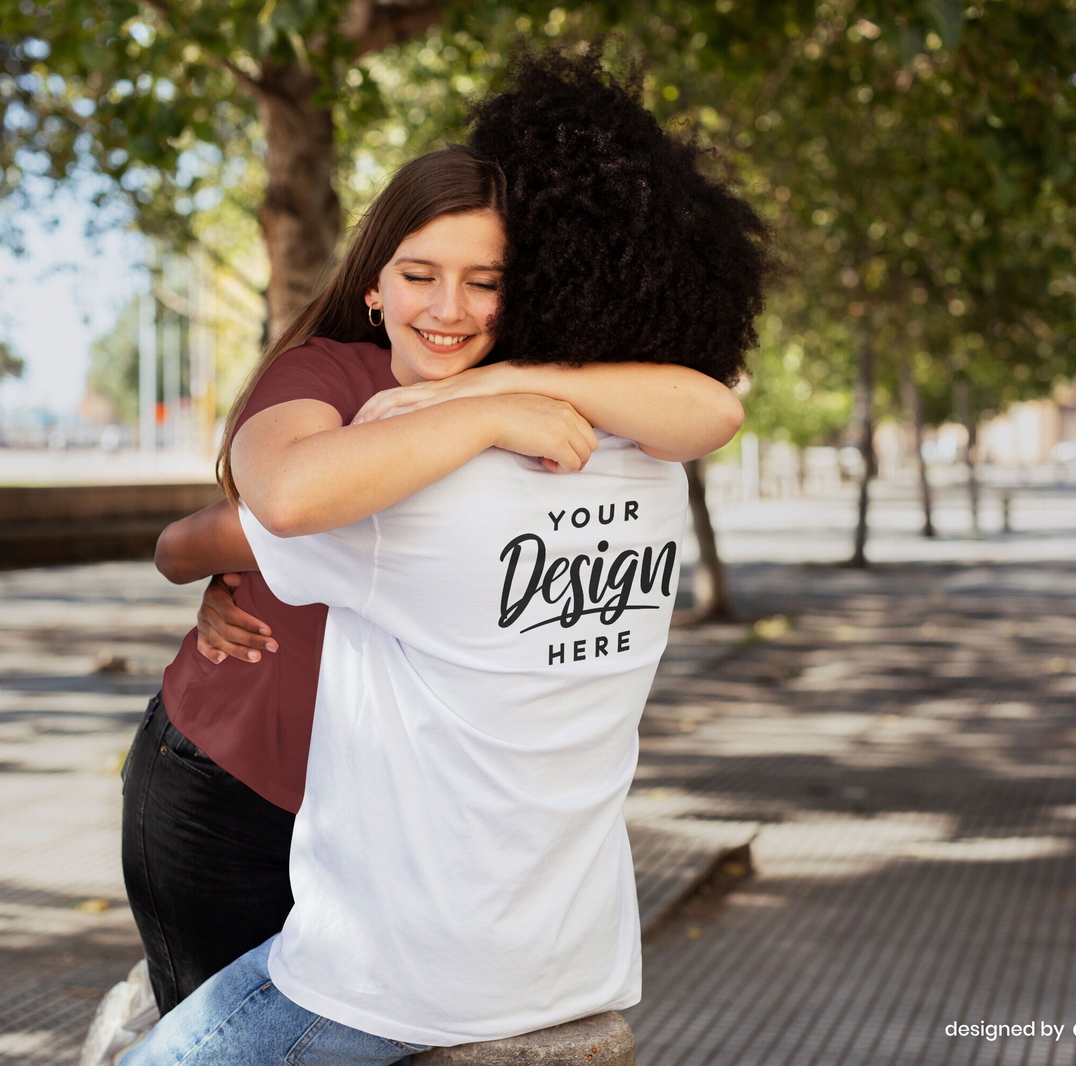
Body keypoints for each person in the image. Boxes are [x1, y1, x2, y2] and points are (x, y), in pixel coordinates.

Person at [115, 45, 771, 1065]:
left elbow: (712, 406)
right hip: (235, 779)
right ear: (372, 284)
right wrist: (482, 414)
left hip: (384, 838)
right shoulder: (331, 379)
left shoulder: (538, 402)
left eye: (488, 283)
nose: (449, 309)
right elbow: (234, 521)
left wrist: (494, 395)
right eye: (418, 275)